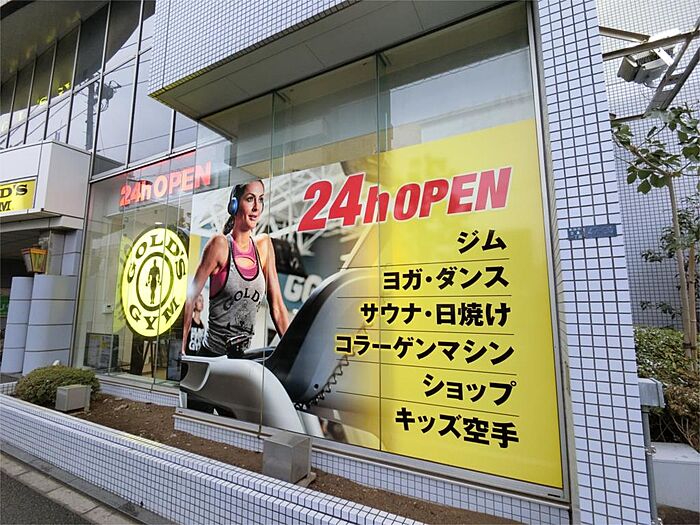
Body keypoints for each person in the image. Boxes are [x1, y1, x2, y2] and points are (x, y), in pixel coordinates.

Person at [181, 180, 289, 357]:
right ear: (234, 204)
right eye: (250, 199)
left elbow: (277, 306)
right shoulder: (219, 245)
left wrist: (293, 351)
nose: (256, 207)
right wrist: (181, 350)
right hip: (212, 356)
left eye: (261, 199)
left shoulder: (264, 246)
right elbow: (190, 298)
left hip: (240, 359)